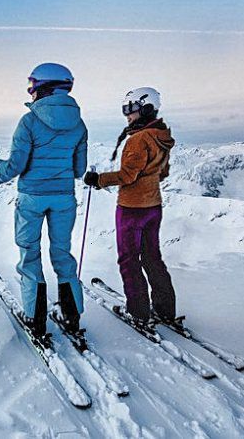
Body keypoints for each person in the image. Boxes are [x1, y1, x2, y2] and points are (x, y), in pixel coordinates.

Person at [0, 63, 88, 339]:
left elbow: (13, 168)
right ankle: (72, 317)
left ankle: (35, 318)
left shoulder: (29, 122)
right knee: (62, 254)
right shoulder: (79, 125)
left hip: (32, 198)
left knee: (30, 254)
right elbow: (79, 170)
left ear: (44, 87)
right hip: (64, 198)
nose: (30, 91)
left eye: (32, 85)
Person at [83, 87, 177, 326]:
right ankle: (165, 310)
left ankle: (138, 313)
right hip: (153, 206)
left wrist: (98, 180)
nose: (127, 115)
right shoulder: (162, 136)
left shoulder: (138, 139)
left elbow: (127, 176)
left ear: (146, 108)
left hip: (132, 208)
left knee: (129, 260)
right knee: (152, 257)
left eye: (131, 108)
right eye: (125, 109)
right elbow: (162, 173)